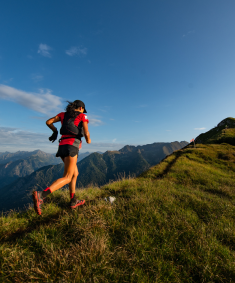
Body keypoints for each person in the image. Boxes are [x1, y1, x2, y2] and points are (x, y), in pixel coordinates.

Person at [32, 100, 91, 215]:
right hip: (72, 146)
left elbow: (48, 122)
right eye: (83, 109)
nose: (83, 111)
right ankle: (41, 195)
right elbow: (86, 132)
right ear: (80, 108)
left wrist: (55, 131)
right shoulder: (82, 116)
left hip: (62, 146)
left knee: (75, 174)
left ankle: (73, 200)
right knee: (68, 177)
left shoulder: (62, 114)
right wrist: (88, 140)